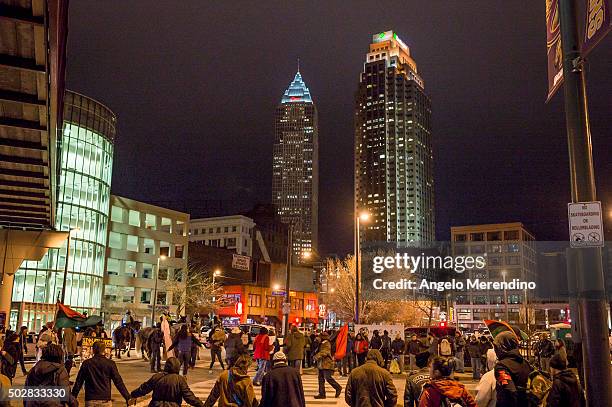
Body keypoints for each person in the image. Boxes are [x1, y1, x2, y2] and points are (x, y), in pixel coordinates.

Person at [72, 341, 133, 406]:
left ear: (93, 350)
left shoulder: (86, 364)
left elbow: (78, 382)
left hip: (90, 400)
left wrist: (73, 397)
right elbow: (118, 382)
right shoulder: (110, 364)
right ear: (104, 350)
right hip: (105, 400)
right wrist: (127, 397)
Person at [131, 356, 205, 407]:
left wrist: (133, 395)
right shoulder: (180, 380)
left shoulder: (157, 376)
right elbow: (189, 397)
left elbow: (144, 389)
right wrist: (201, 404)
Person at [493, 331, 532, 407]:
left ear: (502, 347)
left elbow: (509, 391)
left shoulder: (502, 366)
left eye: (496, 347)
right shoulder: (526, 363)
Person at [313, 331, 342, 399]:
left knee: (328, 378)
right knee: (320, 379)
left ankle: (338, 387)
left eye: (319, 337)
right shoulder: (321, 343)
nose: (318, 338)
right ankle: (322, 394)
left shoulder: (326, 343)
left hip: (327, 363)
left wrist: (316, 356)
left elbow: (325, 352)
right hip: (321, 363)